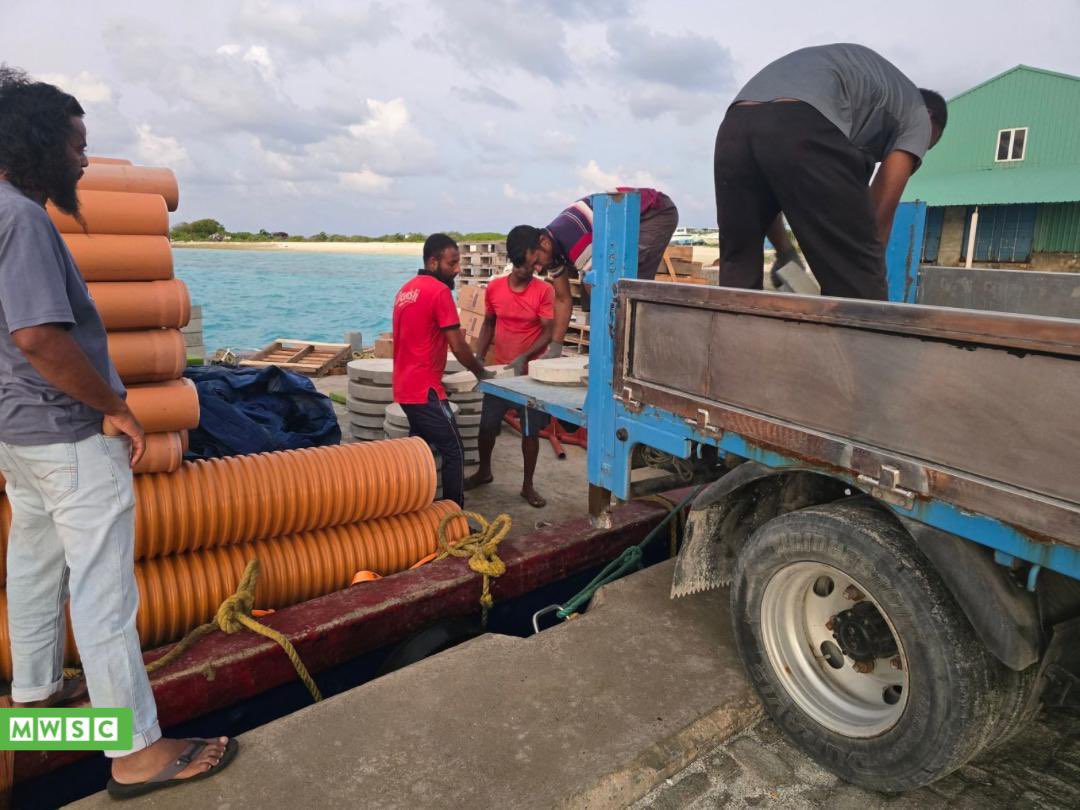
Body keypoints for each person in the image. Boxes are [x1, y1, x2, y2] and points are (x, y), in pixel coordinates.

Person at [0, 67, 236, 798]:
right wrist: (117, 406)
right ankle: (135, 755)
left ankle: (36, 700)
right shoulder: (23, 219)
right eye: (75, 145)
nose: (82, 160)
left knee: (33, 564)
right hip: (68, 434)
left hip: (19, 433)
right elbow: (38, 335)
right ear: (36, 142)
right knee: (104, 591)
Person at [714, 43, 948, 300]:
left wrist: (785, 251)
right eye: (924, 148)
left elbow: (765, 194)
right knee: (858, 288)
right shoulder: (918, 114)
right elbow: (879, 213)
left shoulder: (871, 97)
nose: (916, 154)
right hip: (805, 119)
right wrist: (864, 273)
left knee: (738, 270)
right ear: (930, 118)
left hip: (735, 123)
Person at [510, 187, 678, 358]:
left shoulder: (572, 239)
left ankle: (639, 354)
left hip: (654, 213)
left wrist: (600, 355)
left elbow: (600, 290)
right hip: (626, 219)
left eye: (536, 262)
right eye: (533, 267)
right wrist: (555, 347)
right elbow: (562, 298)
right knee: (610, 292)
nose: (538, 269)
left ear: (543, 242)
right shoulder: (549, 248)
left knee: (630, 286)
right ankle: (620, 353)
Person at [392, 233, 492, 506]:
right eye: (452, 263)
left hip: (404, 387)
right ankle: (454, 517)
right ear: (433, 262)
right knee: (454, 450)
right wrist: (481, 372)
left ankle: (412, 506)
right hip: (425, 390)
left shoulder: (405, 291)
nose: (458, 269)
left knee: (418, 449)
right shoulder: (439, 292)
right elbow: (458, 346)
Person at [464, 226, 555, 507]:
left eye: (533, 265)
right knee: (487, 426)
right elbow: (489, 323)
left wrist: (525, 357)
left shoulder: (544, 290)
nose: (532, 270)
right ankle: (484, 471)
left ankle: (528, 486)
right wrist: (479, 356)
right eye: (525, 266)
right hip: (500, 373)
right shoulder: (494, 288)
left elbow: (548, 332)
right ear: (514, 262)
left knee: (530, 432)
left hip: (530, 377)